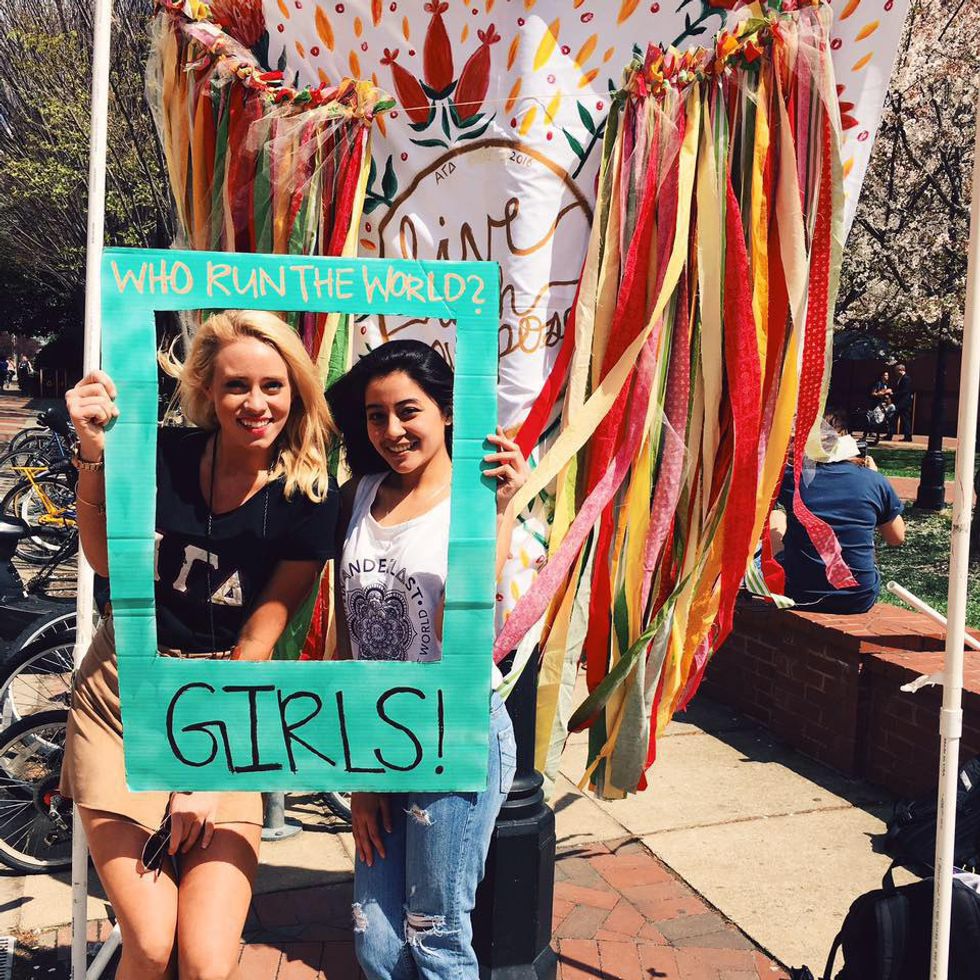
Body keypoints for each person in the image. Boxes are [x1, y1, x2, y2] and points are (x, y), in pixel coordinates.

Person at [60, 310, 339, 980]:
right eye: (236, 385)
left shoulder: (309, 495)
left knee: (207, 962)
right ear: (209, 392)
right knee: (152, 943)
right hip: (122, 699)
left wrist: (206, 773)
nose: (255, 403)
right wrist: (92, 453)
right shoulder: (162, 455)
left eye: (272, 385)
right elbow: (104, 560)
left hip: (226, 702)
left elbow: (258, 637)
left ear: (296, 391)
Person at [326, 340, 526, 980]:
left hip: (455, 729)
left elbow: (458, 628)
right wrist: (359, 770)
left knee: (436, 935)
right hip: (379, 733)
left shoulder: (476, 500)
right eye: (375, 415)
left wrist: (500, 511)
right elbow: (348, 633)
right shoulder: (358, 496)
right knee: (377, 946)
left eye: (407, 411)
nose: (391, 430)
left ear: (446, 411)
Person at [776, 408, 905, 614]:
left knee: (777, 517)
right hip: (858, 597)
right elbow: (896, 538)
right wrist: (874, 477)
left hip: (800, 593)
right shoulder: (874, 481)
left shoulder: (792, 479)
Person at [893, 363, 914, 442]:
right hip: (901, 402)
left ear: (900, 370)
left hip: (904, 403)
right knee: (896, 418)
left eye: (896, 371)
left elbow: (904, 391)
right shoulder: (901, 378)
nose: (895, 372)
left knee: (905, 419)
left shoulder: (906, 378)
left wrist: (893, 394)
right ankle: (890, 434)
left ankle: (908, 436)